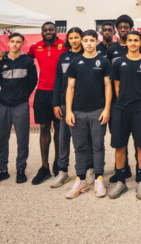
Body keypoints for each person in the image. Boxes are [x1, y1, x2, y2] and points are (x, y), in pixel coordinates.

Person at [65, 30, 111, 199]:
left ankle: (99, 178)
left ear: (96, 42)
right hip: (77, 111)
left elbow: (108, 87)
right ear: (82, 42)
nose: (89, 43)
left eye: (92, 40)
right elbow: (70, 88)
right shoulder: (75, 63)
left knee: (98, 146)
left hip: (98, 111)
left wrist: (107, 109)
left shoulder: (104, 62)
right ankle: (81, 180)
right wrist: (69, 110)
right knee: (79, 147)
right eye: (86, 40)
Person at [108, 31, 141, 200]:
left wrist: (139, 101)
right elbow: (117, 88)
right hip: (121, 109)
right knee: (120, 146)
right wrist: (125, 101)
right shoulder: (119, 63)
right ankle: (121, 182)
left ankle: (140, 182)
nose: (133, 43)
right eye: (130, 40)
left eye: (136, 40)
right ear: (126, 43)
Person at [51, 27, 94, 188]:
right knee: (63, 139)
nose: (74, 40)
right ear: (67, 40)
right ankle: (63, 171)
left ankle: (89, 168)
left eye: (77, 37)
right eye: (71, 37)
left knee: (86, 138)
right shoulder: (63, 57)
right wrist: (56, 103)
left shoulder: (88, 56)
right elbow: (58, 82)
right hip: (65, 104)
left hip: (84, 104)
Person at [0, 33, 38, 184]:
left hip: (20, 104)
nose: (14, 44)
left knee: (22, 138)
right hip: (3, 104)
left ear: (22, 44)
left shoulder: (27, 61)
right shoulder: (1, 60)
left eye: (18, 42)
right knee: (1, 138)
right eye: (12, 41)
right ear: (8, 42)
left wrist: (23, 95)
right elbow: (1, 79)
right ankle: (1, 170)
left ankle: (21, 169)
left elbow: (33, 81)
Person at [28, 22, 67, 185]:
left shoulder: (64, 46)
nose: (48, 32)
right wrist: (3, 53)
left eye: (51, 29)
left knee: (59, 128)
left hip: (59, 92)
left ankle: (58, 164)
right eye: (45, 30)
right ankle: (44, 167)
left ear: (56, 31)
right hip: (42, 91)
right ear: (42, 32)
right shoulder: (35, 47)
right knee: (44, 128)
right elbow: (22, 57)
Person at [106, 14, 138, 183]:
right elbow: (109, 76)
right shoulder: (111, 49)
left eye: (126, 27)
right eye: (121, 28)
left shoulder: (136, 46)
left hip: (135, 98)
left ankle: (137, 167)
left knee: (137, 136)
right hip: (117, 100)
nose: (123, 30)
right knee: (119, 135)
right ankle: (122, 168)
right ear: (117, 30)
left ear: (131, 29)